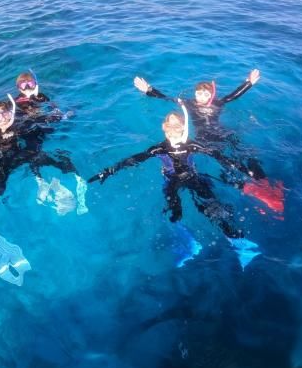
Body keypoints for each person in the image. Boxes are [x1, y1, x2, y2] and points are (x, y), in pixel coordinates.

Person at [88, 105, 260, 267]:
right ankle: (188, 244)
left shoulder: (190, 145)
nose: (173, 129)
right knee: (173, 212)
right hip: (171, 182)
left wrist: (241, 168)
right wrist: (110, 171)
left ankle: (239, 243)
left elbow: (216, 154)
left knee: (213, 208)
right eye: (169, 125)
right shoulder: (160, 148)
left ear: (183, 128)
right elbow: (135, 158)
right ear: (164, 128)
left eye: (177, 126)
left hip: (194, 178)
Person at [133, 69, 283, 215]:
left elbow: (232, 97)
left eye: (206, 94)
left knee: (246, 155)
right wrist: (149, 90)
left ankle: (263, 182)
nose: (202, 97)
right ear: (195, 94)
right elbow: (166, 98)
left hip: (224, 134)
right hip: (205, 139)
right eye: (199, 93)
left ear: (211, 95)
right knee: (225, 163)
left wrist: (248, 83)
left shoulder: (217, 103)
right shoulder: (189, 104)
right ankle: (251, 189)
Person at [0, 97, 86, 239]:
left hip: (18, 157)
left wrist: (62, 116)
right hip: (0, 163)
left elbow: (38, 127)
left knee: (39, 156)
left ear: (10, 113)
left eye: (5, 113)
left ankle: (72, 172)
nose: (2, 118)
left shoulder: (18, 125)